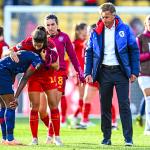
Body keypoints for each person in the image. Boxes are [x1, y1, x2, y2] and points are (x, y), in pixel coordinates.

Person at [84, 2, 140, 146]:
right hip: (104, 73)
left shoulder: (125, 29)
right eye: (102, 17)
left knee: (124, 105)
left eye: (107, 17)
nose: (104, 20)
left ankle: (128, 139)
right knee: (105, 106)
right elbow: (89, 52)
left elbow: (134, 50)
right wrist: (87, 72)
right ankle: (106, 138)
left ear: (114, 15)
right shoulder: (96, 31)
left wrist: (134, 71)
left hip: (121, 72)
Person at [9, 26, 60, 145]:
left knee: (53, 105)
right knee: (34, 107)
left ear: (44, 42)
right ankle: (34, 139)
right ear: (32, 40)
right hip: (34, 77)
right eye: (35, 45)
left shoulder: (51, 44)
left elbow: (57, 66)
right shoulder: (27, 42)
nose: (37, 47)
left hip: (48, 76)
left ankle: (57, 137)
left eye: (39, 45)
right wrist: (12, 53)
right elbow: (11, 49)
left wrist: (44, 59)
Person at [43, 14, 84, 144]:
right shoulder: (42, 38)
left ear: (57, 24)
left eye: (52, 24)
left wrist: (79, 72)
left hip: (60, 73)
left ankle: (55, 136)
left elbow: (72, 56)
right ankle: (51, 136)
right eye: (48, 25)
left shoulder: (64, 37)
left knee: (55, 104)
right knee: (49, 107)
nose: (50, 27)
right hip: (47, 74)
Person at [0, 49, 49, 145]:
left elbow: (13, 67)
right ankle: (10, 140)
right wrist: (16, 97)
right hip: (3, 72)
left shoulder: (26, 54)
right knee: (11, 105)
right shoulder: (37, 60)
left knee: (3, 107)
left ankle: (4, 138)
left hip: (2, 69)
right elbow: (25, 77)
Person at [136, 15, 150, 135]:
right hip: (144, 73)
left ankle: (147, 127)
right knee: (148, 98)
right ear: (146, 24)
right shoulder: (140, 38)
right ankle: (148, 129)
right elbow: (137, 57)